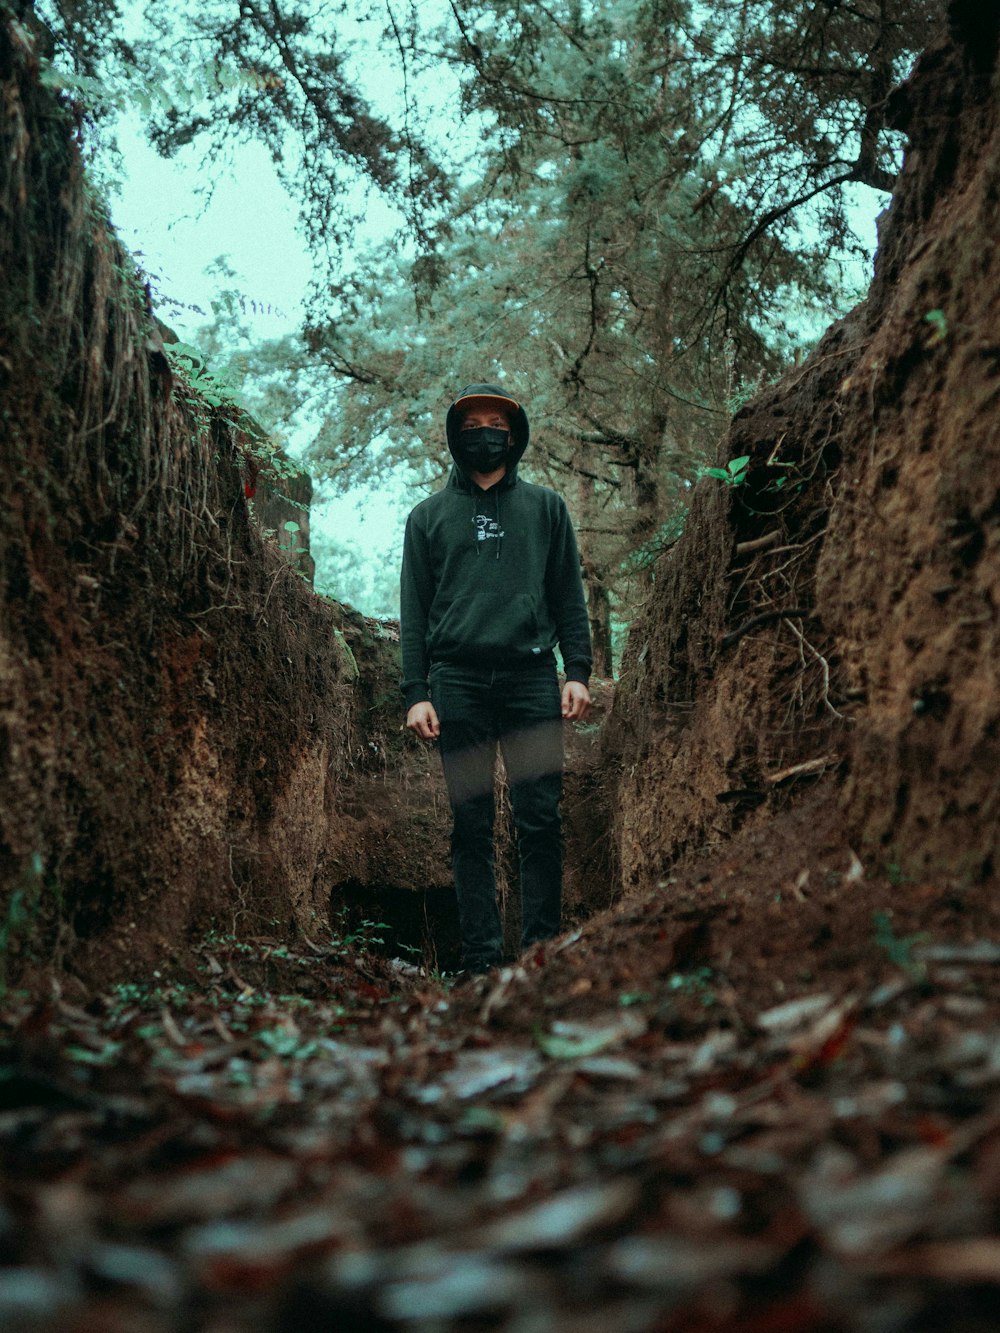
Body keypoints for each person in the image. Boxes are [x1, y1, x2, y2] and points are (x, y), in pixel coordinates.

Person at [400, 383, 593, 975]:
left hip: (532, 680)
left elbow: (568, 594)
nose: (486, 431)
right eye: (474, 422)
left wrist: (577, 672)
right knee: (471, 825)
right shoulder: (428, 516)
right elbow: (415, 608)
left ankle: (540, 956)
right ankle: (480, 963)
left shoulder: (546, 508)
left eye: (497, 421)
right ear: (457, 435)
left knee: (540, 819)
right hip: (457, 684)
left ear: (515, 433)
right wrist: (417, 692)